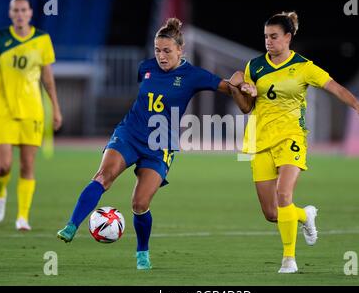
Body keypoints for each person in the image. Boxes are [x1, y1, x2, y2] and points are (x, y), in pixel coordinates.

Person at [56, 18, 242, 270]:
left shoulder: (194, 75)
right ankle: (71, 226)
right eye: (157, 50)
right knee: (103, 176)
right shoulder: (146, 67)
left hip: (160, 144)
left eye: (167, 51)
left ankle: (142, 252)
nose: (161, 56)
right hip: (129, 133)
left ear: (180, 50)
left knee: (140, 203)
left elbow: (228, 88)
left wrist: (241, 83)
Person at [229, 11, 359, 273]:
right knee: (272, 213)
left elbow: (335, 87)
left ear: (288, 37)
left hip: (292, 138)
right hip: (260, 141)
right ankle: (304, 215)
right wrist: (239, 86)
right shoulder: (255, 66)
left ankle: (289, 260)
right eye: (265, 37)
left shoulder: (304, 66)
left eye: (274, 37)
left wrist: (357, 106)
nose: (268, 42)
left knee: (284, 194)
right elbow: (245, 108)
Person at [0, 0, 62, 231]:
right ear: (10, 13)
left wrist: (55, 108)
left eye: (23, 10)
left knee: (27, 165)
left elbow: (48, 78)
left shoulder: (42, 39)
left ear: (30, 13)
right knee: (4, 165)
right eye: (15, 10)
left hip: (32, 111)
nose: (19, 14)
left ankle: (22, 217)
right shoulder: (0, 37)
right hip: (3, 109)